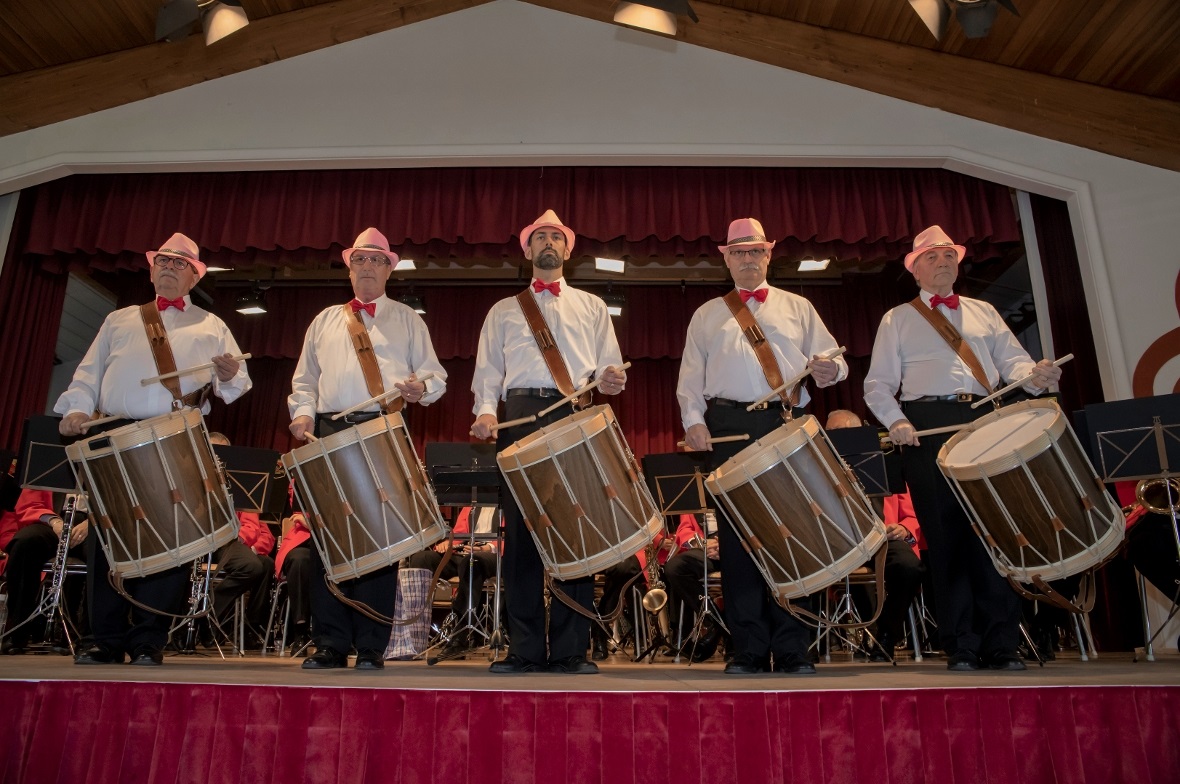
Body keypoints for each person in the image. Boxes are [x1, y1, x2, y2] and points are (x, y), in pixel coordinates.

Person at [863, 225, 1062, 672]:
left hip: (987, 421)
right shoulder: (897, 319)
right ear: (914, 269)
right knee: (948, 539)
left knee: (995, 535)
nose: (943, 262)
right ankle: (962, 644)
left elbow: (1014, 364)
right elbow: (877, 385)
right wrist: (896, 420)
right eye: (932, 257)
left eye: (949, 255)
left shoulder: (984, 311)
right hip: (927, 428)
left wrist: (1037, 374)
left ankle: (1002, 643)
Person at [55, 232, 251, 665]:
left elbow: (235, 388)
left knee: (172, 537)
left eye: (179, 263)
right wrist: (75, 409)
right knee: (110, 535)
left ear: (195, 275)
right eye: (162, 260)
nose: (168, 266)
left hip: (177, 433)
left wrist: (230, 370)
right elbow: (88, 373)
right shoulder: (119, 320)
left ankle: (148, 639)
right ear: (151, 267)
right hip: (115, 434)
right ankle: (104, 638)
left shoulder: (212, 324)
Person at [677, 218, 847, 675]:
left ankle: (793, 647)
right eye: (739, 252)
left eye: (755, 251)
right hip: (727, 423)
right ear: (726, 258)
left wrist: (831, 371)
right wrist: (694, 421)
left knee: (794, 536)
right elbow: (690, 378)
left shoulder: (799, 306)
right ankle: (746, 649)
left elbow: (834, 358)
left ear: (769, 255)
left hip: (786, 422)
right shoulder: (707, 314)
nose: (748, 259)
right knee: (738, 542)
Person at [471, 209, 627, 675]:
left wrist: (612, 380)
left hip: (572, 414)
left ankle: (569, 649)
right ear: (527, 249)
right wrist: (485, 412)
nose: (548, 243)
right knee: (520, 537)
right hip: (517, 417)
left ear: (568, 249)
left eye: (556, 237)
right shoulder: (502, 310)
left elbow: (608, 368)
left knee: (575, 533)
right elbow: (487, 373)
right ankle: (524, 649)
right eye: (539, 236)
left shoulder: (593, 307)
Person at [288, 227, 447, 670]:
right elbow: (304, 382)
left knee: (381, 544)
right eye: (361, 259)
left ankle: (372, 646)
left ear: (389, 268)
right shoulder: (323, 320)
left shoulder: (408, 319)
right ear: (349, 265)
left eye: (377, 260)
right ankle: (330, 643)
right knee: (329, 540)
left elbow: (436, 378)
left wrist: (420, 388)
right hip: (329, 431)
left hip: (382, 428)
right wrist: (302, 413)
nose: (368, 267)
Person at [824, 409, 925, 661]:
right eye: (829, 433)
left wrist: (904, 529)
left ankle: (886, 634)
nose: (834, 439)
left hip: (882, 540)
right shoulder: (817, 466)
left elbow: (912, 515)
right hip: (836, 543)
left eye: (841, 432)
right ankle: (809, 645)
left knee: (909, 567)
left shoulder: (883, 462)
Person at [203, 433, 275, 648]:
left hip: (228, 541)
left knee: (259, 565)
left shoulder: (238, 481)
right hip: (199, 541)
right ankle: (208, 618)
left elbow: (252, 525)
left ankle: (212, 614)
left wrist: (241, 541)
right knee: (253, 565)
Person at [0, 489, 89, 654]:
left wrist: (92, 522)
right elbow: (30, 502)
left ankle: (91, 637)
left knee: (102, 549)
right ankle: (17, 632)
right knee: (24, 543)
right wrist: (55, 522)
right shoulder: (51, 465)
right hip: (51, 521)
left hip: (91, 525)